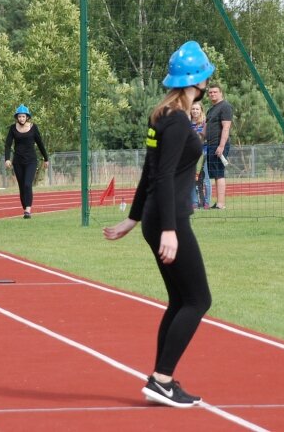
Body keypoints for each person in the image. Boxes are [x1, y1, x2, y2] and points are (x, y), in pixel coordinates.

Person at [103, 41, 213, 408]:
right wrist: (168, 228)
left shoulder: (162, 116)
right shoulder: (178, 121)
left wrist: (134, 219)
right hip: (171, 219)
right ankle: (163, 379)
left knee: (180, 299)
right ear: (197, 80)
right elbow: (162, 176)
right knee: (198, 300)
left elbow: (149, 172)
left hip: (156, 216)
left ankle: (160, 378)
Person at [4, 105, 49, 218]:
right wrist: (7, 159)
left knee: (28, 184)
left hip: (31, 161)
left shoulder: (34, 128)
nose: (21, 119)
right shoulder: (13, 128)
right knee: (22, 186)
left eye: (23, 116)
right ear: (17, 117)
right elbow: (8, 144)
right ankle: (25, 208)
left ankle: (28, 210)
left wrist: (46, 158)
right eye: (19, 116)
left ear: (27, 117)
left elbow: (40, 144)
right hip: (18, 161)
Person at [205, 84, 233, 209]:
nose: (212, 94)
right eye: (210, 92)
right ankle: (218, 202)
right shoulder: (211, 109)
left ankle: (221, 204)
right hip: (210, 145)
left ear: (221, 93)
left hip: (219, 145)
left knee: (219, 173)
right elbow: (205, 130)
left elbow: (226, 127)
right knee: (215, 174)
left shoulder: (225, 107)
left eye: (215, 92)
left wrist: (221, 146)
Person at [190, 101, 211, 209]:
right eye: (193, 109)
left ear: (201, 110)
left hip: (204, 153)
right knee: (192, 178)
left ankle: (207, 202)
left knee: (206, 179)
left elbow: (203, 137)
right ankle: (194, 202)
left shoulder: (205, 123)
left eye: (197, 109)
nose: (195, 111)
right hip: (191, 154)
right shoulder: (187, 123)